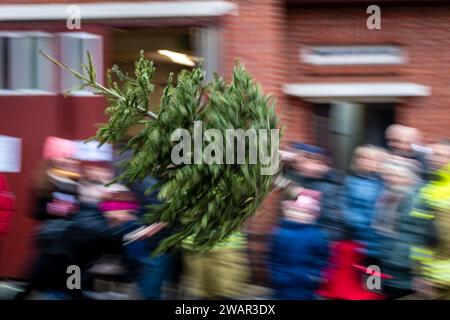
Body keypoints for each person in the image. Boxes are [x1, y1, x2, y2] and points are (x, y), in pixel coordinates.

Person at [371, 158, 422, 299]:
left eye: (397, 175)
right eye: (389, 174)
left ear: (410, 178)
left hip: (405, 263)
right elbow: (378, 227)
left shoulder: (417, 200)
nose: (391, 179)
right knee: (375, 291)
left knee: (401, 292)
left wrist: (404, 261)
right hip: (382, 257)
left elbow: (417, 234)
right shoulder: (386, 196)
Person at [269, 189, 329, 300]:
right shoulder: (280, 232)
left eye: (303, 212)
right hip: (282, 281)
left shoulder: (316, 235)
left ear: (312, 216)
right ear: (287, 211)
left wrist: (315, 275)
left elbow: (322, 257)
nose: (298, 214)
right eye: (294, 210)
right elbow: (273, 256)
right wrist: (276, 274)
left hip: (305, 281)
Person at [408, 139, 450, 299]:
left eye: (440, 155)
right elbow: (419, 236)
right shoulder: (425, 191)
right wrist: (420, 273)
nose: (433, 158)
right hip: (436, 278)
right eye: (433, 154)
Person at [283, 143, 344, 241]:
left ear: (324, 165)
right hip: (302, 235)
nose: (303, 166)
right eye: (301, 163)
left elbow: (334, 214)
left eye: (315, 162)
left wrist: (329, 235)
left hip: (325, 236)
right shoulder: (296, 179)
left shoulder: (335, 182)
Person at [339, 145, 384, 255]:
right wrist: (351, 219)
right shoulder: (349, 180)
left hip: (375, 236)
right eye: (362, 158)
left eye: (371, 159)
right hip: (353, 233)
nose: (365, 162)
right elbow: (344, 202)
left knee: (373, 269)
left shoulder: (382, 183)